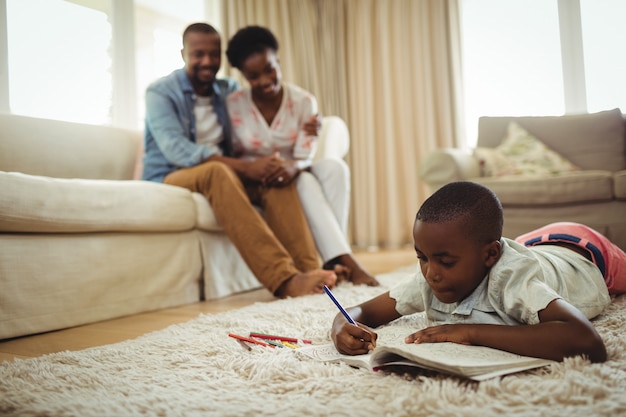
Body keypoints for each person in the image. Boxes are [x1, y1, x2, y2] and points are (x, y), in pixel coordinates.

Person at [142, 22, 337, 298]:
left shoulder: (227, 90)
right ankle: (284, 280)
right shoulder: (161, 92)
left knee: (273, 174)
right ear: (183, 53)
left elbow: (256, 119)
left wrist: (309, 126)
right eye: (198, 54)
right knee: (216, 172)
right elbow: (177, 151)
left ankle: (312, 272)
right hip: (172, 174)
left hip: (226, 172)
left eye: (214, 54)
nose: (207, 61)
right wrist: (246, 167)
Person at [331, 181, 626, 363]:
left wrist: (470, 331)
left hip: (586, 253)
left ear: (490, 256)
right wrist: (340, 326)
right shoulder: (434, 274)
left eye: (446, 261)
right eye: (422, 257)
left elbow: (588, 342)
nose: (431, 273)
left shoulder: (513, 280)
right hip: (532, 243)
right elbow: (360, 311)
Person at [224, 25, 378, 287]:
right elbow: (229, 152)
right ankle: (342, 259)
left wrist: (294, 167)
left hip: (296, 168)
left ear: (278, 61)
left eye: (270, 69)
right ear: (242, 75)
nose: (264, 80)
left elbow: (304, 154)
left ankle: (335, 258)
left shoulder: (304, 101)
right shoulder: (233, 105)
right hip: (259, 179)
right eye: (253, 75)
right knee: (306, 182)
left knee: (334, 168)